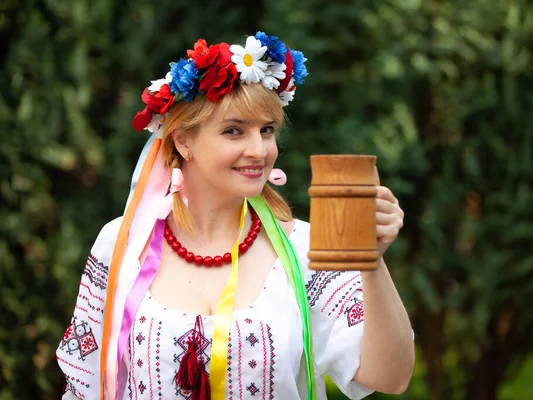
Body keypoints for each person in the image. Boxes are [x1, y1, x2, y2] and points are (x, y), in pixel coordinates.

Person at [56, 32, 415, 400]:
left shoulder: (304, 248)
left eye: (267, 130)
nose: (258, 150)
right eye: (233, 131)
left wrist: (372, 261)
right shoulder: (123, 243)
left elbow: (390, 377)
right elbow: (83, 386)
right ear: (183, 141)